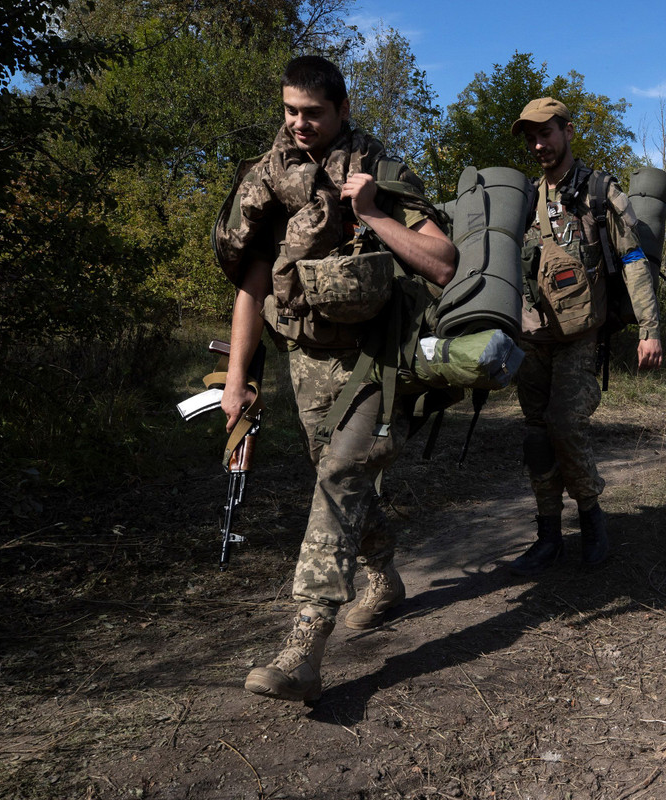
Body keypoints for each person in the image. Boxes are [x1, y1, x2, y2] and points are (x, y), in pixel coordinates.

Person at [213, 56, 457, 702]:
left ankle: (304, 646)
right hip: (307, 361)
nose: (299, 123)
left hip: (377, 359)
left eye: (313, 113)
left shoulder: (379, 169)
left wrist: (374, 213)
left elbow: (443, 262)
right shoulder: (270, 178)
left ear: (343, 111)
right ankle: (384, 577)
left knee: (342, 475)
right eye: (290, 111)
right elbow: (254, 284)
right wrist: (237, 380)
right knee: (338, 479)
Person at [508, 97, 663, 575]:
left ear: (568, 131)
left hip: (580, 334)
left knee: (565, 425)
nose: (539, 144)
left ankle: (592, 519)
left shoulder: (598, 191)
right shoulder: (525, 198)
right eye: (531, 136)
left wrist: (649, 329)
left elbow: (634, 261)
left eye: (546, 133)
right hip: (534, 336)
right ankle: (548, 535)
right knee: (536, 435)